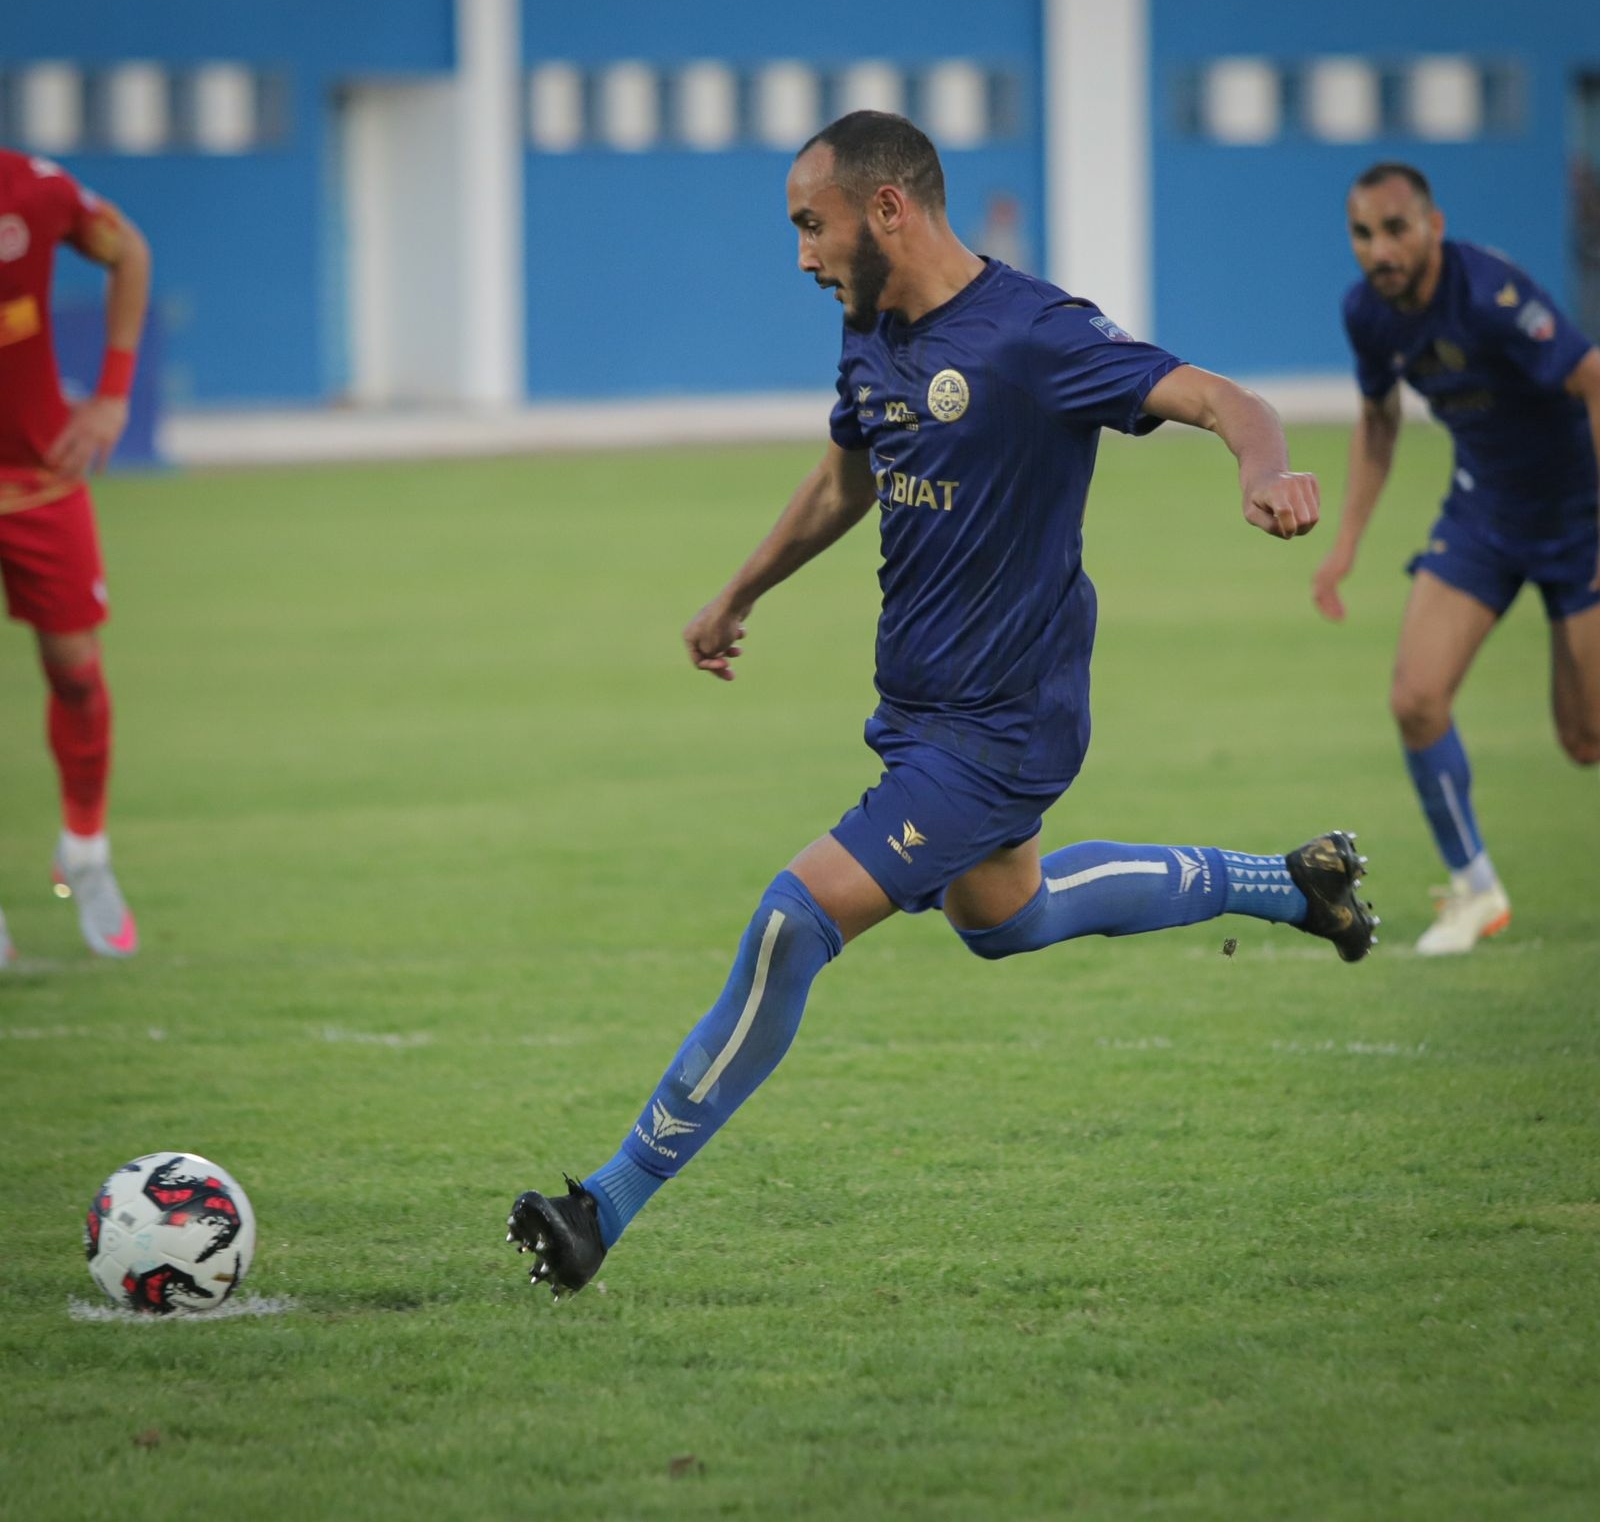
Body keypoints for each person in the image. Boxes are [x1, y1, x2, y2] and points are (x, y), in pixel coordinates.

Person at [507, 111, 1376, 1299]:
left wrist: (1264, 467)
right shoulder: (870, 334)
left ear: (887, 209)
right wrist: (738, 593)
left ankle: (600, 1205)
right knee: (1004, 915)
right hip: (919, 713)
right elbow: (842, 482)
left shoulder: (1033, 334)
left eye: (810, 225)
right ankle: (1291, 884)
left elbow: (1221, 398)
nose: (802, 255)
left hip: (1001, 725)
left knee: (790, 923)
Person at [1313, 162, 1600, 956]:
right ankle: (1475, 889)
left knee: (1585, 740)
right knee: (1416, 698)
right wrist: (1345, 546)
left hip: (1578, 516)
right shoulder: (1367, 312)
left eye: (1395, 229)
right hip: (1484, 514)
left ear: (1433, 226)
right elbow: (1379, 420)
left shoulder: (1489, 294)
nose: (1380, 250)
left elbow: (1594, 379)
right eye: (1362, 234)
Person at [0, 149, 150, 964]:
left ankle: (84, 853)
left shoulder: (37, 189)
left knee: (77, 675)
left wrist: (113, 394)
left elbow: (130, 253)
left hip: (41, 478)